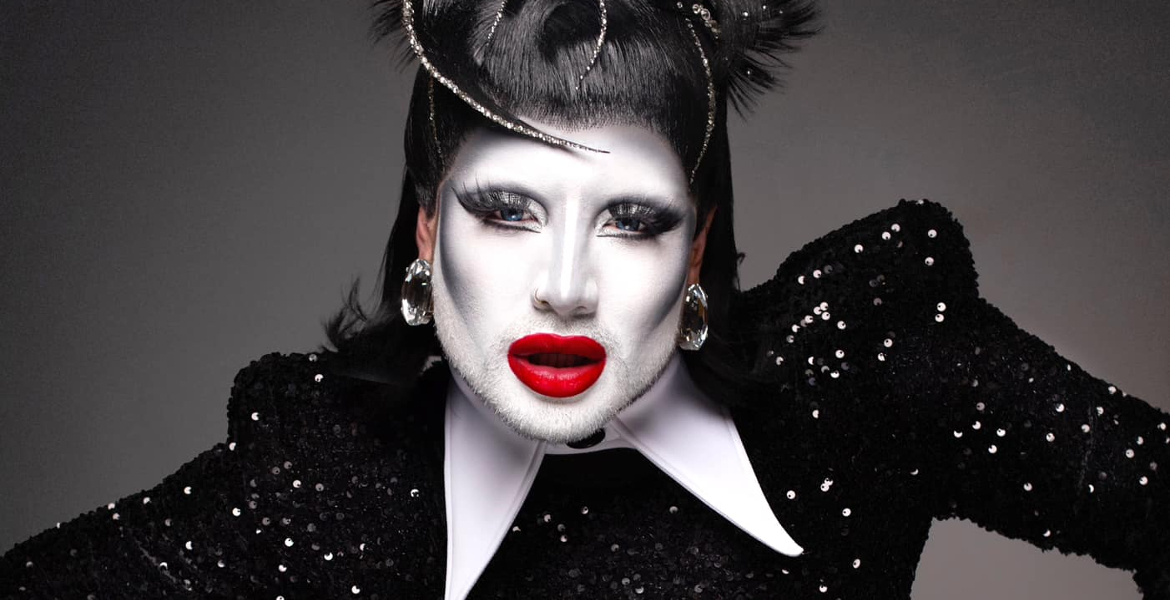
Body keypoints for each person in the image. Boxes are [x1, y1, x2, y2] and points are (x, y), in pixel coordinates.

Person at [2, 1, 1167, 599]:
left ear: (698, 242)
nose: (564, 285)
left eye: (632, 219)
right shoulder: (324, 488)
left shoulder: (860, 383)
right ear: (424, 229)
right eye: (505, 211)